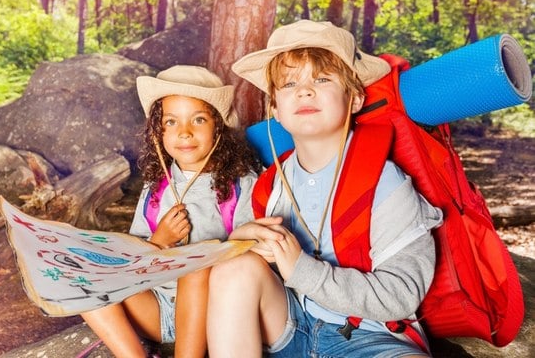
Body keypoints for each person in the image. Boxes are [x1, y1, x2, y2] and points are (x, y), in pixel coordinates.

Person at [206, 20, 443, 357]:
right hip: (288, 326)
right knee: (232, 270)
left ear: (355, 99)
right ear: (274, 108)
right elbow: (254, 276)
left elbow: (401, 295)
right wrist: (240, 243)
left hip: (368, 336)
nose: (304, 91)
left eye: (322, 78)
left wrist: (302, 269)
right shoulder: (271, 184)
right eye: (289, 83)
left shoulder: (385, 182)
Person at [81, 65, 261, 358]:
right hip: (156, 308)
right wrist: (159, 241)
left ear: (218, 127)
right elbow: (133, 259)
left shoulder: (241, 184)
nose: (185, 132)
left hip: (215, 314)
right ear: (157, 131)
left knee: (197, 266)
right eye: (171, 122)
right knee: (86, 277)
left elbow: (249, 259)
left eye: (198, 119)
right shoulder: (156, 187)